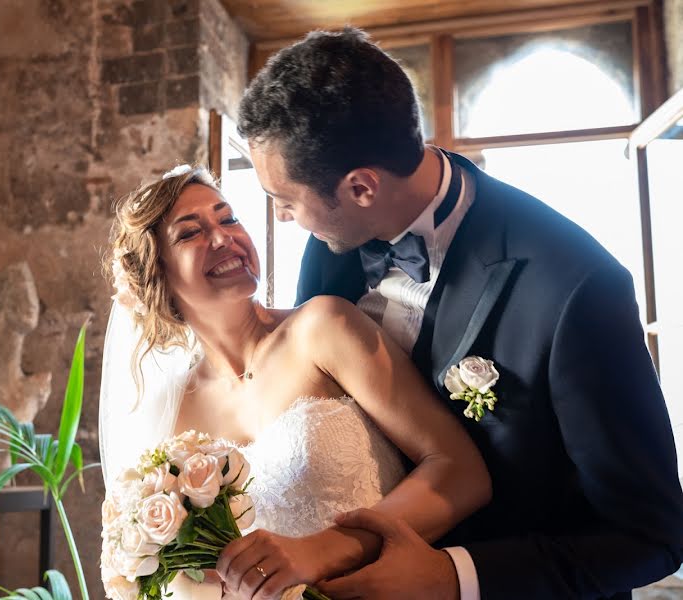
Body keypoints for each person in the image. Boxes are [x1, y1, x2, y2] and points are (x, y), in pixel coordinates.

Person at [232, 26, 683, 600]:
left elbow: (651, 536)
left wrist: (455, 577)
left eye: (286, 202)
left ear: (362, 187)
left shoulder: (576, 287)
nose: (288, 220)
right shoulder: (333, 241)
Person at [99, 165, 491, 600]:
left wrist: (324, 551)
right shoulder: (174, 415)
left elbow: (461, 471)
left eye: (228, 218)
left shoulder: (324, 327)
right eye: (190, 233)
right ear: (157, 276)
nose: (223, 237)